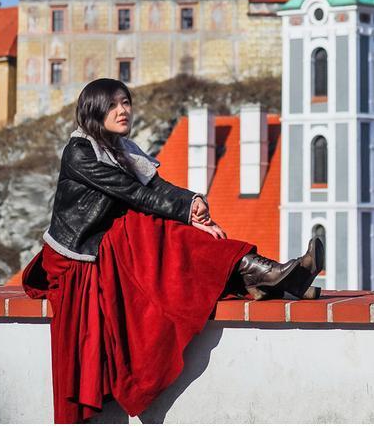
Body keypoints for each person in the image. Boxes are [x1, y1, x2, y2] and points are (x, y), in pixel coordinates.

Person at [22, 78, 323, 424]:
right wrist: (186, 213)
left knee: (158, 229)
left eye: (126, 102)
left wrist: (193, 207)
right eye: (113, 105)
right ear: (93, 111)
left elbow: (157, 186)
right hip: (78, 255)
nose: (123, 110)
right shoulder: (80, 152)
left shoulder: (123, 147)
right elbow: (134, 194)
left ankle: (265, 274)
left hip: (106, 242)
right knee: (146, 226)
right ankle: (263, 275)